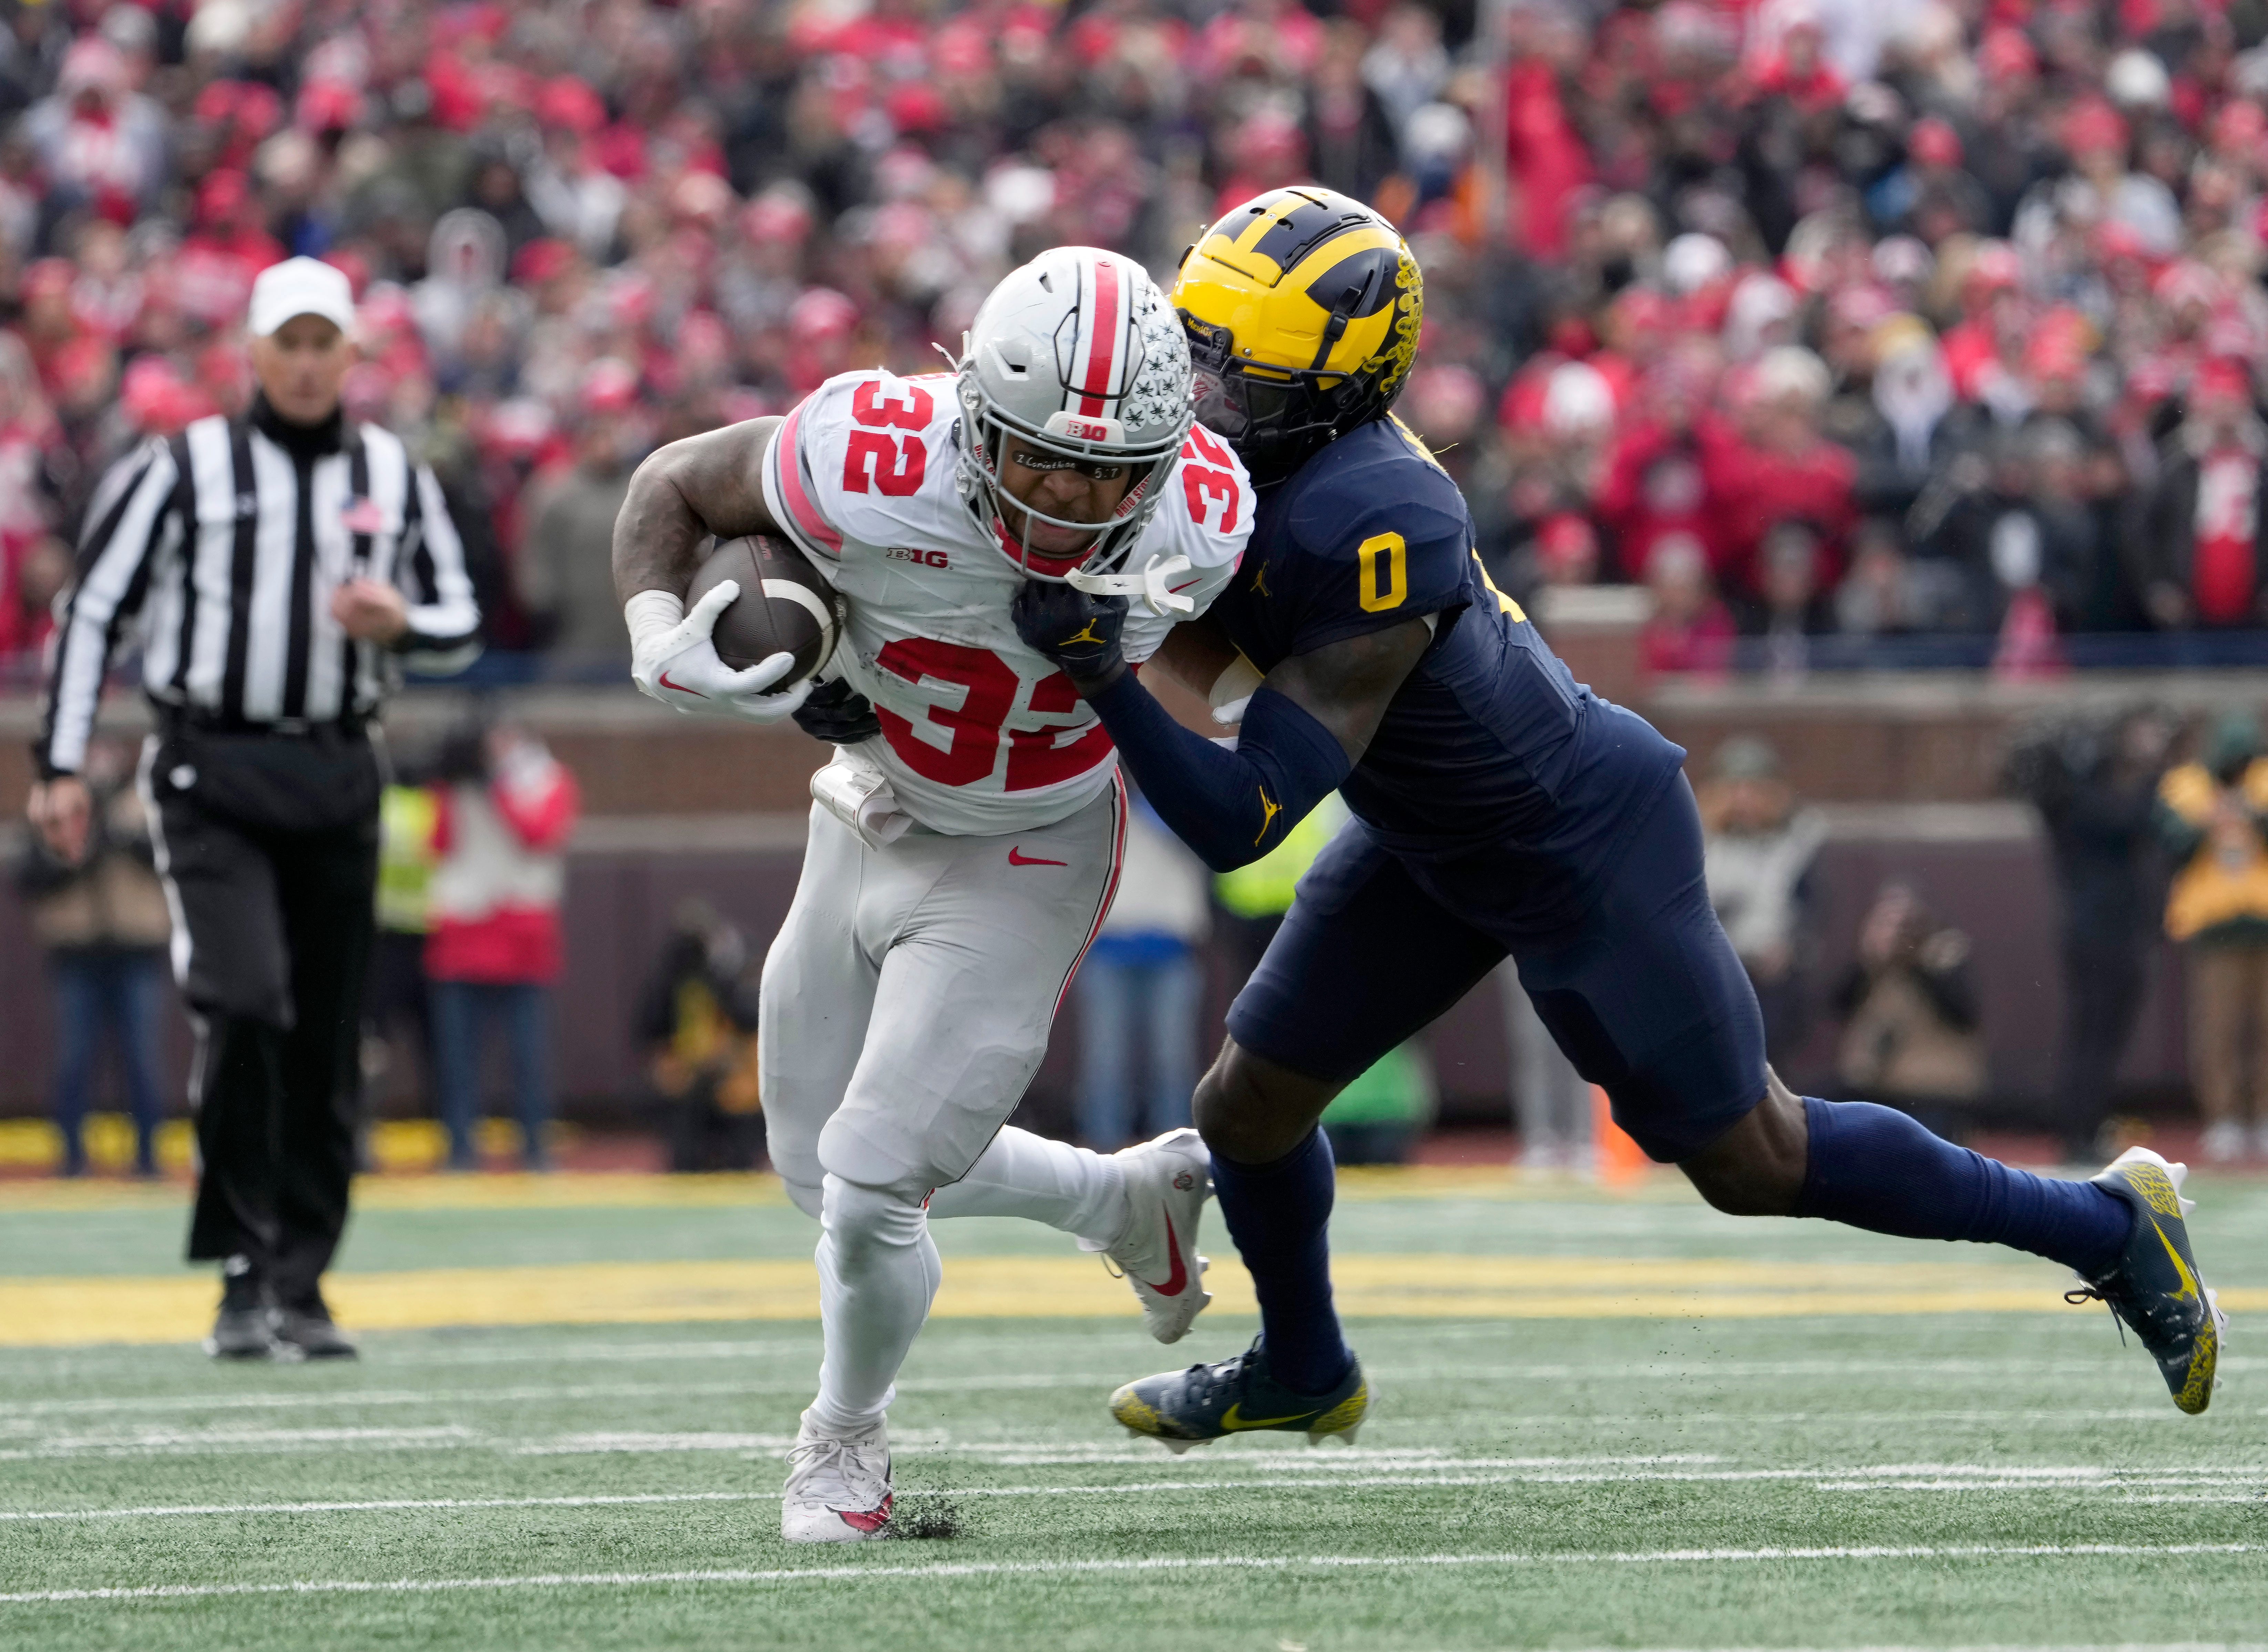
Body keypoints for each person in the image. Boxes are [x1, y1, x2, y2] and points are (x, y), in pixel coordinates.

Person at [1004, 187, 2222, 1450]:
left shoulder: (1367, 513)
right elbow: (1198, 649)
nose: (1199, 397)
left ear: (1337, 386)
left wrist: (1099, 662)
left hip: (1572, 836)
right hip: (1433, 836)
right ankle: (1303, 1363)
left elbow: (1241, 811)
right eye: (1193, 355)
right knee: (1246, 1104)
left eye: (1233, 375)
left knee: (1753, 1156)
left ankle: (2107, 1220)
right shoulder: (1247, 471)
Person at [609, 246, 1253, 1541]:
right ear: (972, 418)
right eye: (1038, 459)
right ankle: (1119, 1200)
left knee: (868, 1182)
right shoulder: (868, 451)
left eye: (1107, 471)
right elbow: (670, 482)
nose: (1070, 498)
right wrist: (654, 633)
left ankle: (843, 1444)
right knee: (819, 1166)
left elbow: (1235, 664)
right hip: (864, 802)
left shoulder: (1206, 512)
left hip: (1024, 846)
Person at [25, 257, 481, 1361]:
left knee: (327, 1034)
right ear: (255, 353)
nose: (312, 361)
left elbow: (461, 618)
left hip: (337, 769)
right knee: (246, 1000)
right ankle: (240, 1260)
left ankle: (301, 1276)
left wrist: (399, 623)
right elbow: (93, 612)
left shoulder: (392, 469)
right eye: (293, 341)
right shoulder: (181, 468)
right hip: (210, 770)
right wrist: (59, 761)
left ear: (354, 356)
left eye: (330, 342)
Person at [2007, 706, 2175, 1162]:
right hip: (2101, 934)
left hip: (2104, 931)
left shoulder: (2072, 798)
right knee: (2093, 1037)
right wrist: (2152, 774)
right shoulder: (2077, 803)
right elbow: (2128, 819)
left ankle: (2081, 1127)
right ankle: (2075, 1131)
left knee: (2095, 1038)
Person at [423, 717, 579, 1172]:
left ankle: (534, 1148)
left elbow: (536, 835)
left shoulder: (548, 781)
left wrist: (497, 789)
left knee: (527, 1057)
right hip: (463, 933)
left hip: (521, 937)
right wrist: (448, 785)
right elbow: (437, 842)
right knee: (457, 1058)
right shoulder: (457, 786)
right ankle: (459, 1149)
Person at [13, 733, 170, 1178]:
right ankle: (72, 1158)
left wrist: (126, 834)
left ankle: (147, 1157)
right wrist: (80, 847)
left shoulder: (144, 803)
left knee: (142, 1058)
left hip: (137, 950)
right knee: (74, 1059)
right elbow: (28, 875)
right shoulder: (54, 808)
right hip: (76, 953)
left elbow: (172, 860)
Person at [2155, 713, 2268, 1164]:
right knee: (2217, 1029)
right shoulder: (2185, 785)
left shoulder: (2262, 782)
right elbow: (2169, 845)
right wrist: (2208, 818)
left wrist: (2251, 814)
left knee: (2265, 1029)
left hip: (2262, 919)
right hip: (2212, 927)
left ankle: (2261, 1116)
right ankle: (2222, 1118)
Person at [1074, 796, 1210, 1150]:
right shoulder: (1094, 804)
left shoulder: (1186, 799)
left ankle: (1177, 1152)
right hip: (1109, 948)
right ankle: (1102, 1151)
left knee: (1172, 1059)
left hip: (1171, 950)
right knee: (1105, 1059)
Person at [1699, 736, 1827, 1064]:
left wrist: (1791, 948)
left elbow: (1814, 915)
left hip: (1771, 981)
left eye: (1754, 789)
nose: (1743, 800)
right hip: (1711, 974)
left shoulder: (1799, 845)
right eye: (1733, 788)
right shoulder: (1700, 843)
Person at [1831, 883, 1987, 1142]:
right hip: (1877, 1088)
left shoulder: (1945, 962)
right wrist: (1869, 960)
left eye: (1903, 925)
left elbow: (1963, 1014)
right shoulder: (1875, 971)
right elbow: (1838, 1005)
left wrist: (1923, 964)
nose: (1895, 934)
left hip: (1933, 1090)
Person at [636, 899, 766, 1174]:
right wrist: (672, 1064)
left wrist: (731, 1061)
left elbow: (751, 1027)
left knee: (738, 1100)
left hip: (730, 1068)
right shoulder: (669, 984)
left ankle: (741, 1162)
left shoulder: (733, 981)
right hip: (691, 1070)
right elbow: (651, 1034)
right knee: (682, 1111)